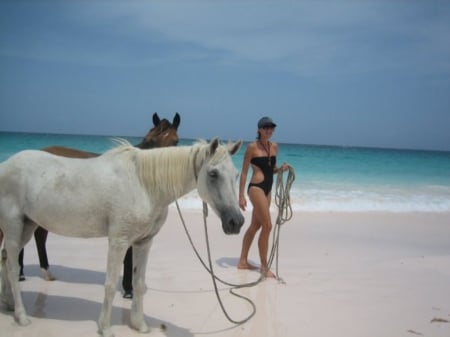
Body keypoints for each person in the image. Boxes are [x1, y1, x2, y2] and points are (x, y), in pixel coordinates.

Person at [237, 116, 288, 278]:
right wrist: (241, 196)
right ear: (259, 130)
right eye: (266, 127)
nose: (269, 130)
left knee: (255, 226)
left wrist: (281, 169)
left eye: (271, 127)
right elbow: (244, 172)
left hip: (268, 190)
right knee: (267, 225)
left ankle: (243, 261)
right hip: (256, 188)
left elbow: (271, 170)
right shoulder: (252, 147)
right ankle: (264, 267)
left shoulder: (275, 147)